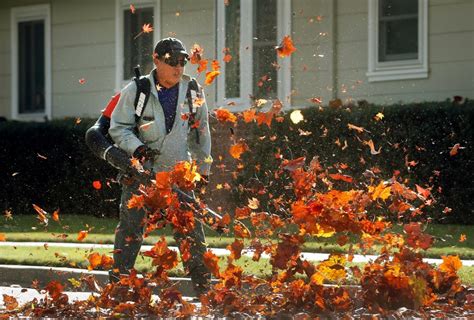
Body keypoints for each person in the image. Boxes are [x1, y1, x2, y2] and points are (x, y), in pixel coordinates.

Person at [106, 37, 212, 296]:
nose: (178, 68)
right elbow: (118, 128)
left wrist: (203, 171)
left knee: (191, 234)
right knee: (130, 232)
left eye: (182, 62)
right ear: (156, 59)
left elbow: (202, 133)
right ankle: (118, 288)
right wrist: (137, 148)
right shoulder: (138, 90)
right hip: (141, 176)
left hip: (178, 174)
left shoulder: (192, 90)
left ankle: (206, 291)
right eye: (171, 62)